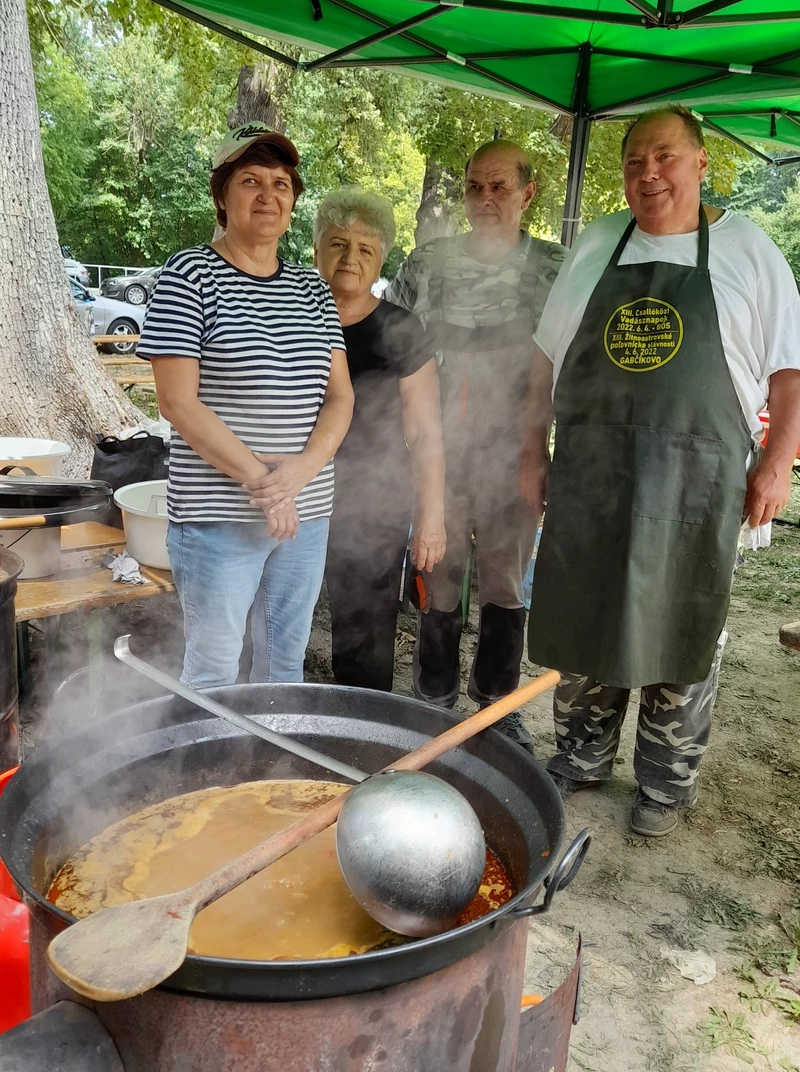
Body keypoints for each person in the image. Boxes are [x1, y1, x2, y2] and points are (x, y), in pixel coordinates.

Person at [523, 105, 800, 835]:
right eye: (635, 160)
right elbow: (544, 361)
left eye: (667, 157)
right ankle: (580, 758)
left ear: (702, 163)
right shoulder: (598, 241)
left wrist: (778, 465)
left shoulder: (747, 250)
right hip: (591, 474)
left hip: (697, 483)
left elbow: (791, 375)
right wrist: (529, 452)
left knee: (685, 622)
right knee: (586, 613)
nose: (650, 173)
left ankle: (664, 784)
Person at [137, 124, 354, 689]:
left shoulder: (313, 290)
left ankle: (273, 774)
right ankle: (211, 774)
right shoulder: (189, 274)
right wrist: (264, 481)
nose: (268, 195)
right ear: (222, 196)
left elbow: (340, 397)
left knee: (285, 662)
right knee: (213, 668)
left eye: (281, 183)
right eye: (250, 180)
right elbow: (177, 403)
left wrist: (301, 473)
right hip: (218, 517)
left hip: (306, 512)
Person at [385, 140, 566, 753]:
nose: (485, 199)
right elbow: (389, 349)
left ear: (527, 191)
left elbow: (573, 362)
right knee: (437, 579)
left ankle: (496, 706)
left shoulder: (554, 269)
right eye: (475, 187)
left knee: (506, 583)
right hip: (439, 456)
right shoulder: (427, 263)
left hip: (516, 452)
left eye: (499, 187)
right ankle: (433, 701)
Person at [313, 188, 446, 691]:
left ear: (381, 260)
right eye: (338, 243)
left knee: (365, 635)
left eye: (366, 249)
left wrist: (430, 518)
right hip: (291, 496)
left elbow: (427, 431)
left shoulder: (400, 328)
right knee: (273, 617)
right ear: (316, 250)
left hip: (372, 505)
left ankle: (363, 738)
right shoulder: (292, 315)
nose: (350, 258)